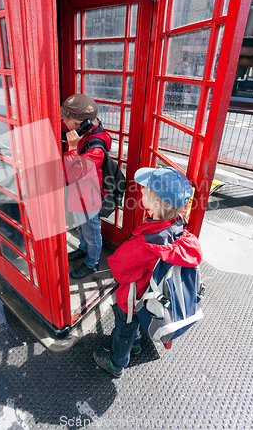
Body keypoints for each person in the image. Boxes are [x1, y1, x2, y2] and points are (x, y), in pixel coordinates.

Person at [93, 166, 203, 377]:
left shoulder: (144, 244)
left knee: (123, 328)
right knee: (133, 326)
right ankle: (135, 345)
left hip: (133, 298)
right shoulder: (179, 226)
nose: (140, 191)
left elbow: (118, 268)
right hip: (151, 297)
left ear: (156, 204)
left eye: (145, 190)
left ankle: (116, 364)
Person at [61, 94, 112, 279]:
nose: (64, 121)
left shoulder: (96, 146)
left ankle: (92, 263)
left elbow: (75, 174)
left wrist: (72, 147)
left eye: (67, 118)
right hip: (77, 194)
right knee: (81, 227)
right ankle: (83, 249)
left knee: (92, 232)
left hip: (89, 197)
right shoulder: (83, 133)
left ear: (80, 122)